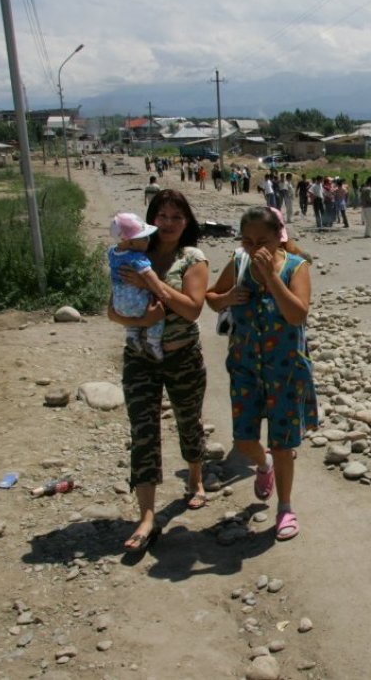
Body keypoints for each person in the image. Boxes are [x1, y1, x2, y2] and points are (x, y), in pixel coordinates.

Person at [205, 207, 318, 541]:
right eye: (248, 241)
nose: (256, 249)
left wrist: (270, 278)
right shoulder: (238, 261)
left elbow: (297, 315)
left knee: (283, 445)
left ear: (278, 238)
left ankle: (285, 508)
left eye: (263, 242)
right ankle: (264, 466)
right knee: (243, 440)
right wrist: (226, 297)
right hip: (245, 369)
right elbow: (211, 298)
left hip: (285, 370)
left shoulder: (297, 267)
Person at [107, 189, 210, 552]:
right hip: (139, 357)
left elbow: (193, 309)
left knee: (188, 420)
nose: (168, 224)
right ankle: (147, 516)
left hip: (182, 356)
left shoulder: (192, 258)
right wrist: (137, 317)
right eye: (162, 216)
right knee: (143, 430)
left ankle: (195, 479)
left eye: (176, 218)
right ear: (151, 220)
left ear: (187, 223)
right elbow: (112, 308)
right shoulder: (135, 252)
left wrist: (153, 285)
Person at [108, 212, 169, 359]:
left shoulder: (112, 252)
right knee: (157, 314)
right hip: (135, 301)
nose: (148, 240)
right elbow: (149, 275)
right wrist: (161, 292)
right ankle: (153, 342)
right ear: (131, 243)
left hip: (118, 303)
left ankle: (131, 335)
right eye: (144, 238)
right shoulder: (137, 257)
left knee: (131, 317)